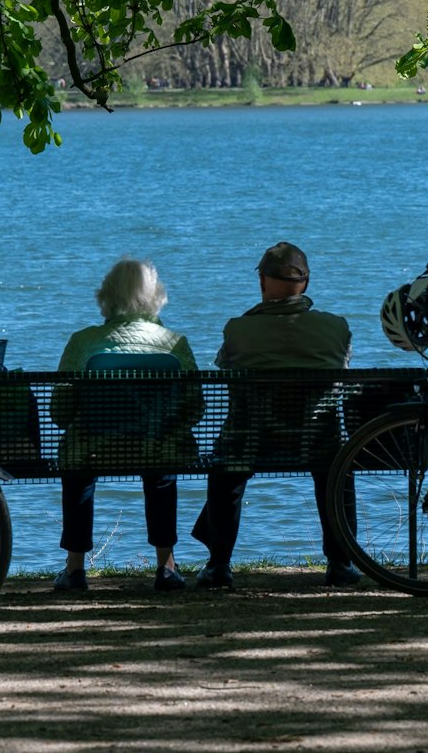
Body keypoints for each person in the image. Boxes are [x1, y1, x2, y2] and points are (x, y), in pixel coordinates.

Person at [190, 241, 361, 589]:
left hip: (251, 442)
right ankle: (340, 563)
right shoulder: (335, 327)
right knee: (336, 468)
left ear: (262, 283)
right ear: (306, 284)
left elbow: (227, 370)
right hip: (318, 442)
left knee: (227, 466)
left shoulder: (238, 329)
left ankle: (219, 563)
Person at [49, 257, 200, 593]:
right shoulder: (175, 343)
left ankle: (74, 569)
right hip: (155, 446)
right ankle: (166, 565)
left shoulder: (83, 343)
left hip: (93, 449)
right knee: (162, 464)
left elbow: (59, 413)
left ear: (106, 297)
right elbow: (195, 409)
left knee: (78, 467)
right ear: (155, 296)